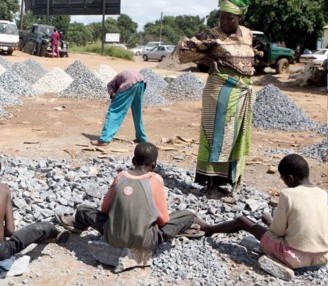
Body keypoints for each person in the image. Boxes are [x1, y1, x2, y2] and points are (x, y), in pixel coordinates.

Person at [57, 143, 203, 251]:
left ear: (133, 161)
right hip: (146, 242)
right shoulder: (156, 180)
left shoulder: (120, 177)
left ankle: (77, 227)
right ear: (154, 165)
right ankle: (181, 231)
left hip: (112, 237)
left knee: (83, 209)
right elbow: (164, 220)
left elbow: (105, 209)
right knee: (187, 215)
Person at [176, 0, 255, 198]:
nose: (225, 21)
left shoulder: (247, 33)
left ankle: (227, 179)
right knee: (217, 136)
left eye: (230, 18)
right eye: (222, 17)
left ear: (239, 18)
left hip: (242, 91)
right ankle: (212, 184)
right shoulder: (212, 34)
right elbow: (184, 48)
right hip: (220, 90)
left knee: (236, 135)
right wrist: (207, 60)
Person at [200, 154, 328, 270]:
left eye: (283, 179)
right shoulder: (323, 194)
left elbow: (277, 232)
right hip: (322, 256)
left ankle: (208, 229)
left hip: (294, 257)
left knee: (242, 221)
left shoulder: (288, 194)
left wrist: (270, 221)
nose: (284, 182)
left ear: (290, 178)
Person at [91, 69, 147, 147]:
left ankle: (104, 139)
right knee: (137, 112)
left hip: (130, 83)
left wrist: (114, 96)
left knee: (114, 111)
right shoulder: (121, 77)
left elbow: (114, 92)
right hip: (141, 83)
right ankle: (141, 138)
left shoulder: (111, 84)